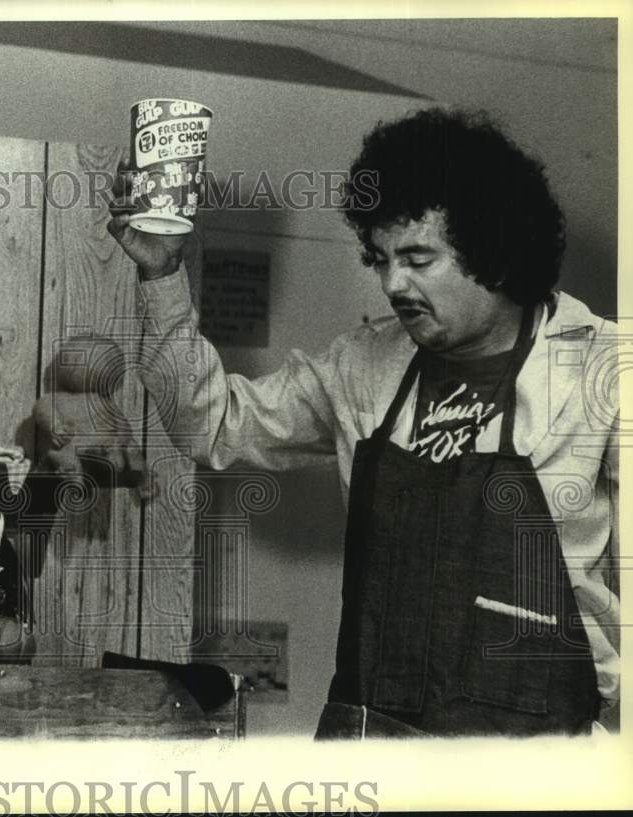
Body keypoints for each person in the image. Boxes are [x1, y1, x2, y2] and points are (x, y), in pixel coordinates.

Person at [107, 107, 619, 738]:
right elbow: (209, 424)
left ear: (495, 247)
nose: (393, 284)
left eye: (418, 258)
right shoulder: (363, 363)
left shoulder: (604, 368)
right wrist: (161, 272)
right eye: (380, 260)